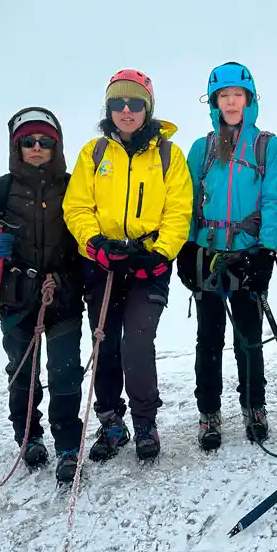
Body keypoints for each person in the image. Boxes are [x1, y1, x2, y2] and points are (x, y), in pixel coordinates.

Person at [63, 69, 192, 462]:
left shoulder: (169, 154)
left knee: (136, 341)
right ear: (109, 108)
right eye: (118, 103)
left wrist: (159, 253)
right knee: (104, 341)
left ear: (147, 107)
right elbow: (77, 206)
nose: (126, 110)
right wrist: (96, 243)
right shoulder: (94, 153)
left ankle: (145, 421)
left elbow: (179, 210)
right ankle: (110, 421)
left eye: (135, 103)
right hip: (102, 264)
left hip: (148, 263)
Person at [177, 62, 277, 450]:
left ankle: (254, 407)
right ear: (214, 102)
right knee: (208, 338)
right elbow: (187, 200)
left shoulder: (266, 145)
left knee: (248, 337)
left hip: (246, 253)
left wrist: (266, 249)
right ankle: (209, 412)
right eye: (224, 96)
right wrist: (187, 246)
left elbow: (274, 199)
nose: (231, 102)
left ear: (249, 99)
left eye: (237, 95)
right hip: (207, 253)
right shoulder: (201, 148)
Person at [0, 107, 85, 484]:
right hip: (16, 296)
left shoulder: (75, 186)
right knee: (24, 374)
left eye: (44, 142)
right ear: (16, 147)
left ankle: (68, 444)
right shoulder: (0, 189)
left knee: (66, 372)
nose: (36, 148)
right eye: (28, 142)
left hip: (64, 292)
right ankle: (29, 436)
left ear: (57, 146)